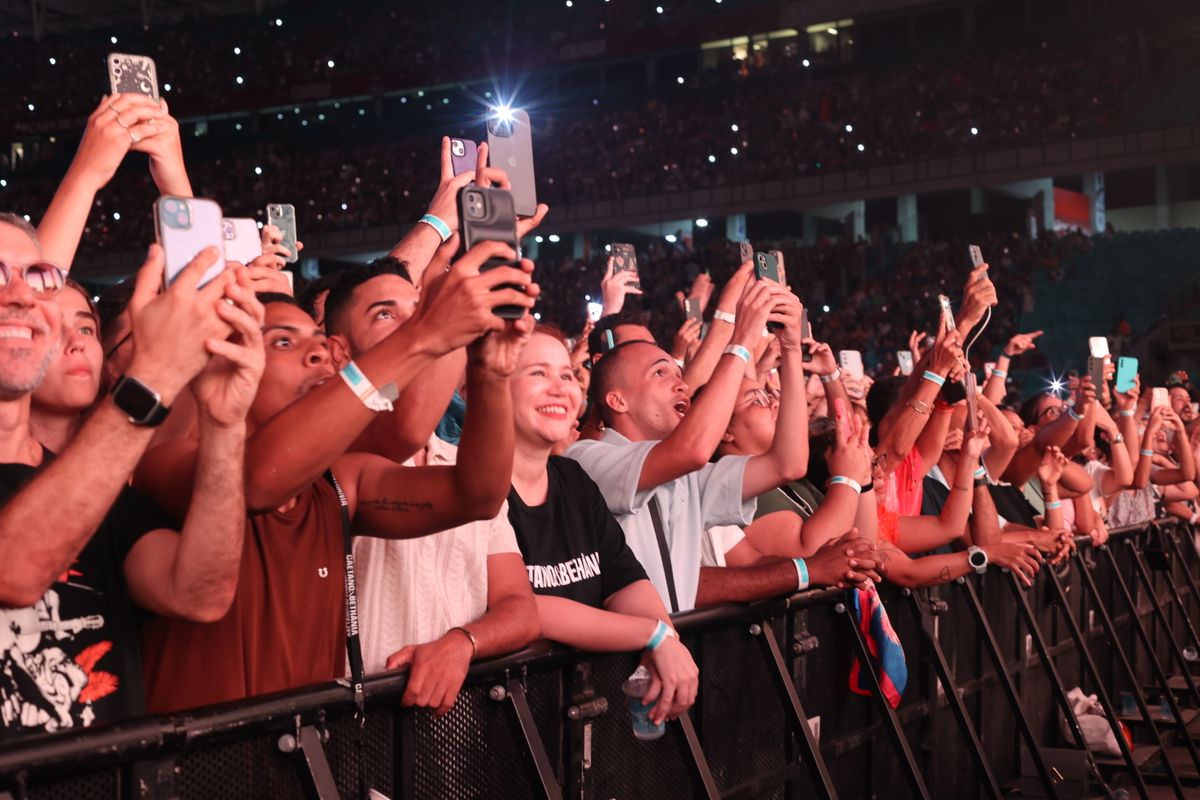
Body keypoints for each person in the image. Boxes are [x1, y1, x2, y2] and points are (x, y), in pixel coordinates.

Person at [133, 242, 542, 712]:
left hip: (303, 769)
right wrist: (426, 333)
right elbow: (259, 479)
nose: (317, 352)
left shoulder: (339, 481)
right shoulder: (165, 461)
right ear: (221, 361)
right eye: (283, 341)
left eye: (316, 339)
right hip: (199, 774)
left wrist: (490, 373)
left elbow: (476, 496)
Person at [0, 218, 257, 737]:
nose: (21, 294)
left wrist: (223, 423)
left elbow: (199, 594)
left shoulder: (96, 489)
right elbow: (15, 571)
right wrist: (155, 375)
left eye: (37, 275)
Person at [323, 256, 539, 715]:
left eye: (419, 309)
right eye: (386, 314)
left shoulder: (463, 460)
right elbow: (402, 429)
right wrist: (442, 327)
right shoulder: (328, 455)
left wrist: (463, 643)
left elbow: (521, 608)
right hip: (358, 734)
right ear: (339, 352)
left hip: (456, 735)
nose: (415, 324)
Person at [569, 279, 837, 613]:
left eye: (676, 372)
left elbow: (789, 463)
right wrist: (740, 342)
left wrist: (792, 350)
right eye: (660, 374)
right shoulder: (584, 460)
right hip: (618, 660)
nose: (681, 383)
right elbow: (691, 450)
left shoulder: (686, 477)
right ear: (617, 400)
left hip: (678, 653)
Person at [507, 327, 698, 725]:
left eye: (566, 375)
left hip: (581, 716)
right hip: (505, 720)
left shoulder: (574, 479)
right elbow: (522, 607)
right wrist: (653, 635)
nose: (560, 387)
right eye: (538, 373)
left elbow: (624, 580)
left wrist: (666, 640)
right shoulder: (482, 489)